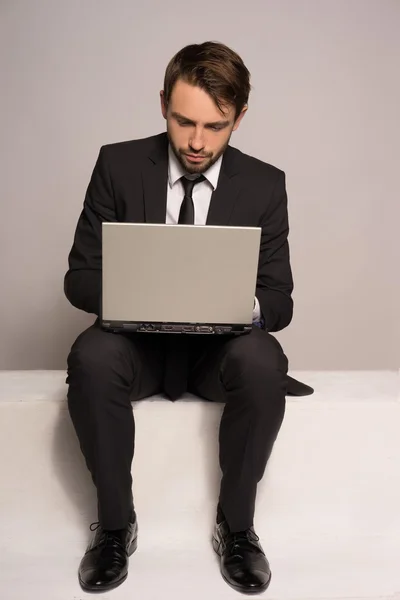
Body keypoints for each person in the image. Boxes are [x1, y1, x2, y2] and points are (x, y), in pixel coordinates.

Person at [65, 40, 293, 595]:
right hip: (135, 348)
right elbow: (78, 278)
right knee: (90, 354)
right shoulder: (116, 164)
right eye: (182, 121)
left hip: (217, 354)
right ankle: (115, 528)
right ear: (162, 103)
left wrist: (236, 302)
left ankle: (236, 528)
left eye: (215, 126)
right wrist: (137, 291)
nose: (196, 142)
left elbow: (280, 301)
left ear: (239, 117)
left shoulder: (265, 184)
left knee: (265, 358)